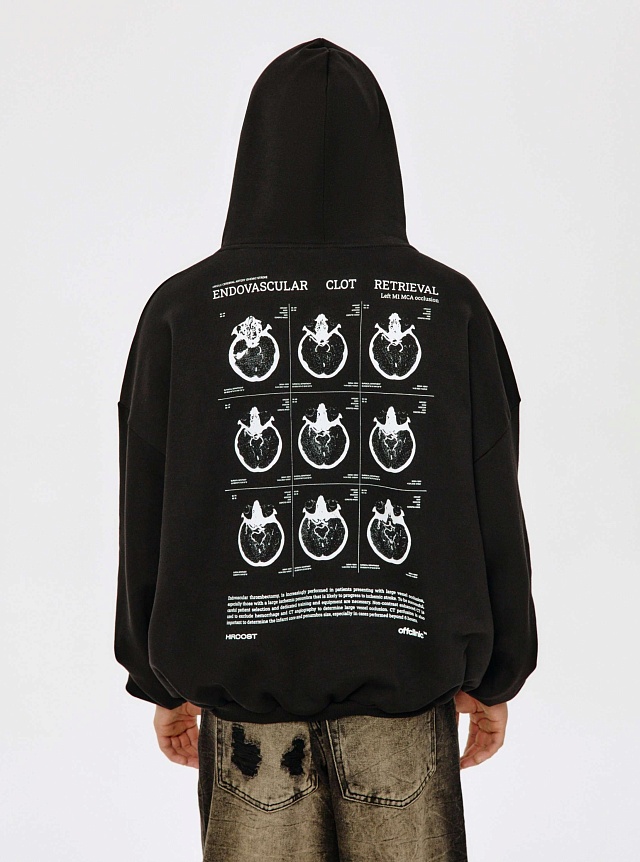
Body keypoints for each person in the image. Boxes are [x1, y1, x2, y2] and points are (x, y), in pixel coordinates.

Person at [115, 37, 538, 861]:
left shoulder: (182, 312)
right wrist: (498, 675)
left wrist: (157, 676)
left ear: (257, 149)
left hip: (248, 716)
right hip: (403, 708)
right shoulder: (449, 307)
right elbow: (492, 490)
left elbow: (148, 499)